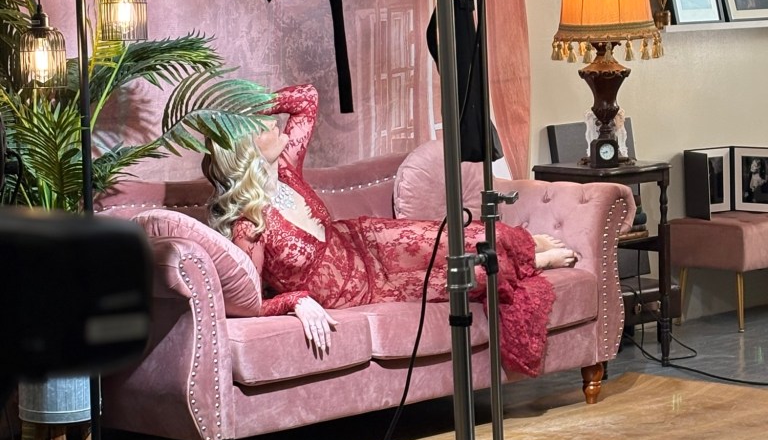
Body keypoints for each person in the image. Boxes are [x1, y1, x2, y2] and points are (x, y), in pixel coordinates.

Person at [203, 84, 578, 378]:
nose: (269, 122)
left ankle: (525, 246)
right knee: (470, 274)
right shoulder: (249, 223)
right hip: (369, 289)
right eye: (257, 126)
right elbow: (245, 304)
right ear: (246, 149)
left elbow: (306, 99)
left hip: (366, 241)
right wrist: (294, 301)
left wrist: (243, 105)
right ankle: (534, 262)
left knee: (468, 237)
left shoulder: (286, 168)